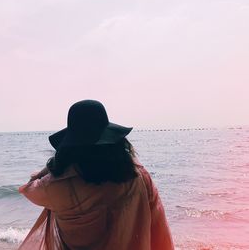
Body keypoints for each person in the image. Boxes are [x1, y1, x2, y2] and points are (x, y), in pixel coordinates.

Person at [18, 100, 174, 250]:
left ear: (70, 146)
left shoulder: (56, 186)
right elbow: (158, 228)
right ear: (114, 141)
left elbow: (29, 188)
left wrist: (52, 166)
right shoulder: (138, 176)